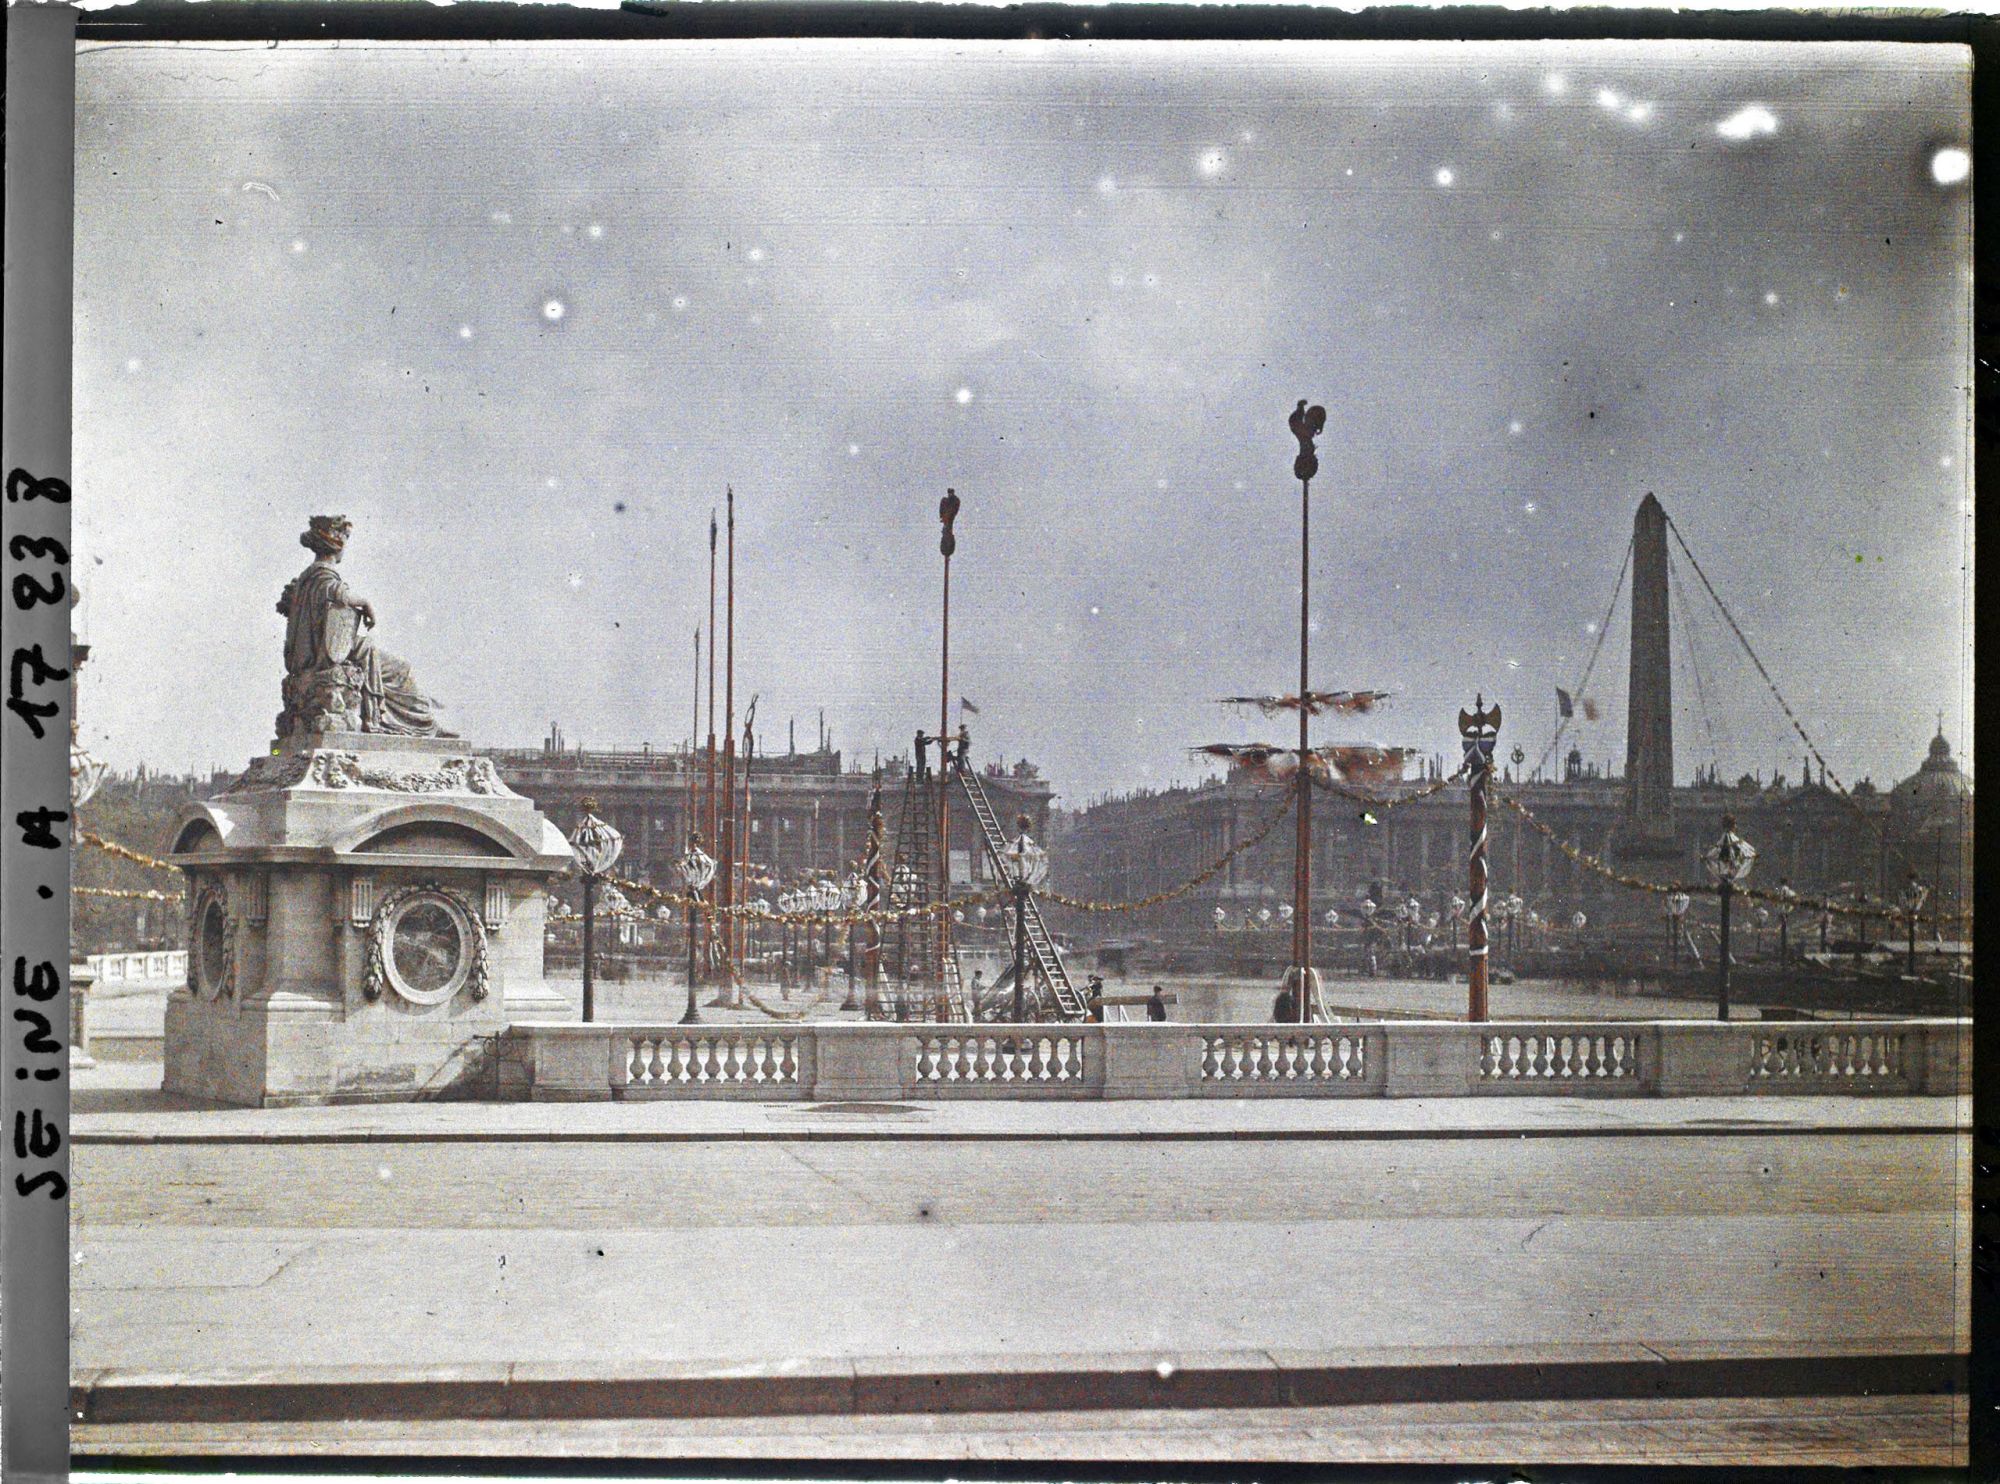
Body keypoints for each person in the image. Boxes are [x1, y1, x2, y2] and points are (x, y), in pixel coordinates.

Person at [278, 515, 452, 737]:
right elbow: (337, 593)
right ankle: (424, 725)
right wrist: (366, 603)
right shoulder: (323, 576)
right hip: (336, 655)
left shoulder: (306, 578)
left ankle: (425, 723)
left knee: (393, 666)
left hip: (320, 656)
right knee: (402, 671)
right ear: (337, 544)